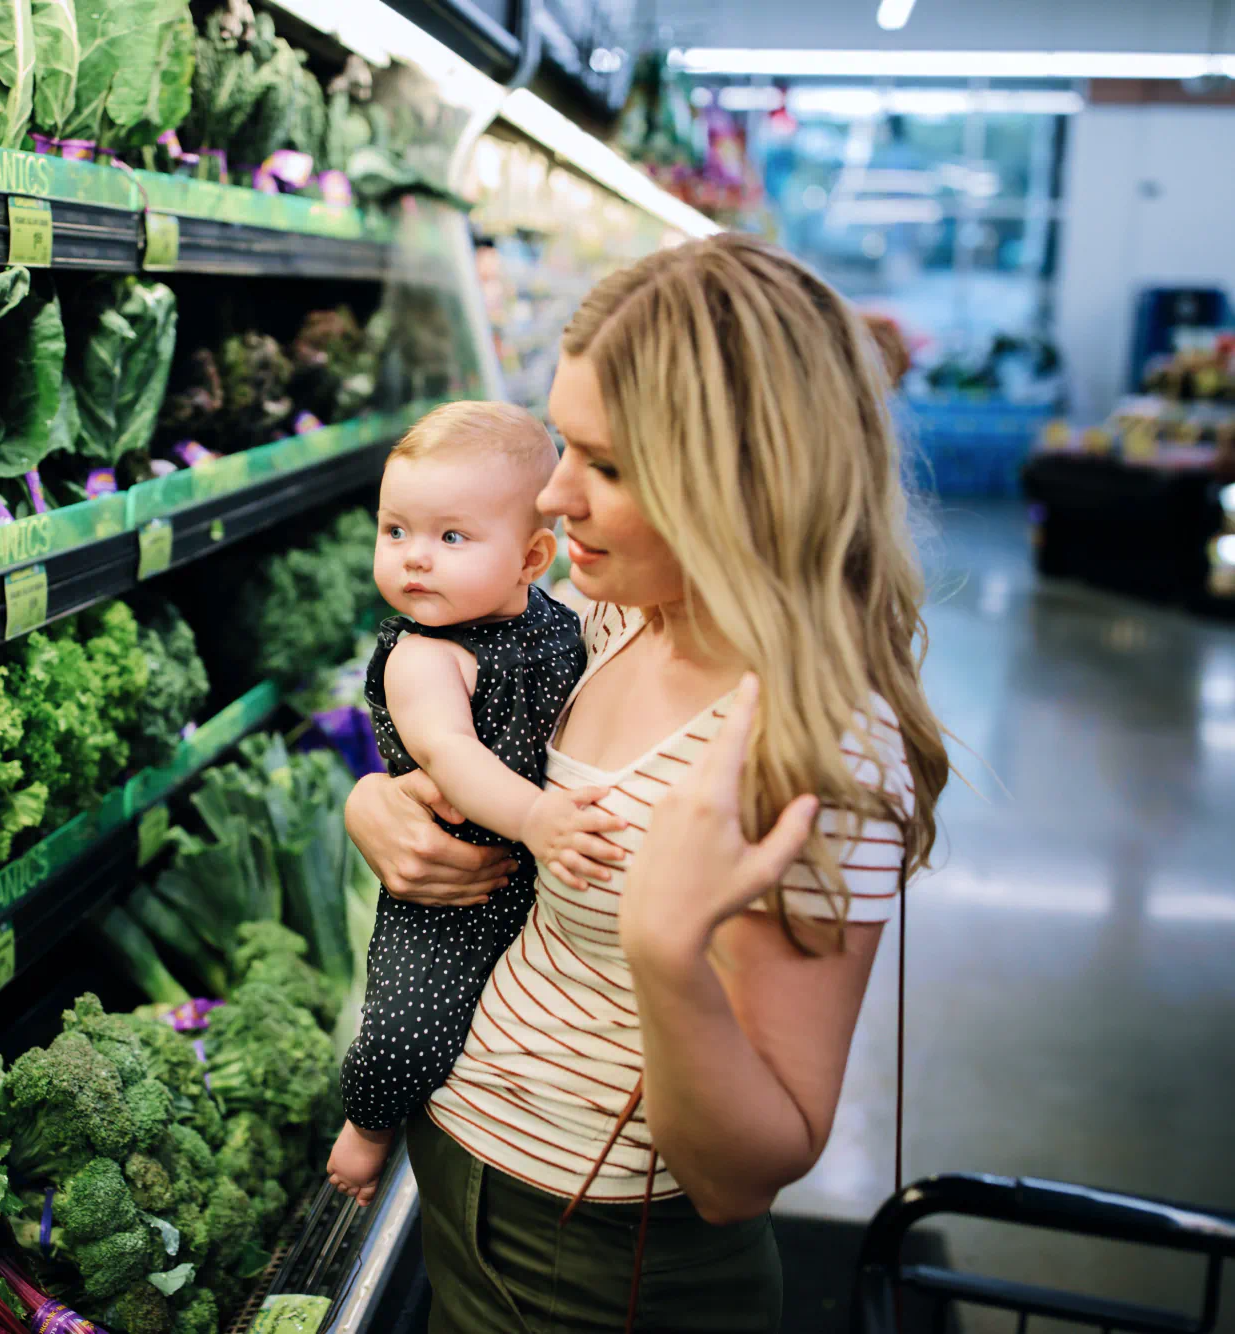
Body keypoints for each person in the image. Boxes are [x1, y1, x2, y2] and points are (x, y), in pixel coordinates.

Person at [343, 233, 949, 1333]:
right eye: (563, 443)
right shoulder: (614, 617)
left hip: (599, 1258)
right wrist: (376, 804)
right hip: (463, 1170)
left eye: (607, 466)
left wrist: (668, 951)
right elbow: (462, 738)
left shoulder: (812, 751)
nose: (555, 497)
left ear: (741, 480)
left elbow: (745, 1172)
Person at [327, 401, 628, 1206]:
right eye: (397, 532)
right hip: (456, 896)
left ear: (533, 557)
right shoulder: (425, 656)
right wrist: (536, 818)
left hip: (533, 890)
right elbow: (451, 756)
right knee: (406, 1031)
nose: (415, 560)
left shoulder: (561, 620)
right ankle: (366, 1130)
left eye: (451, 537)